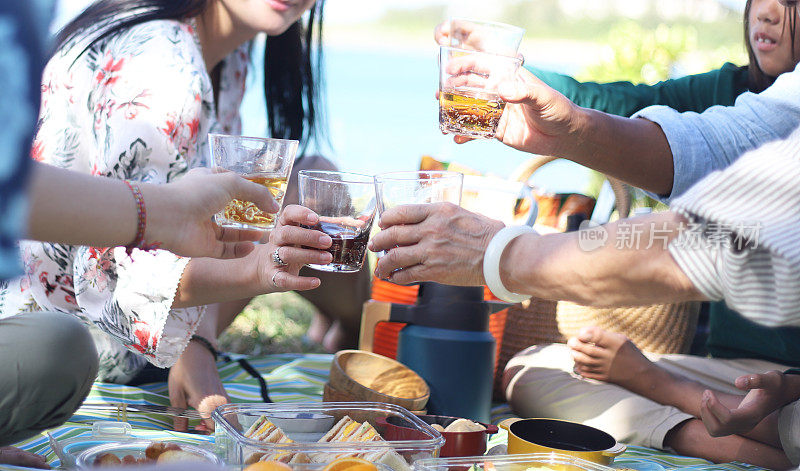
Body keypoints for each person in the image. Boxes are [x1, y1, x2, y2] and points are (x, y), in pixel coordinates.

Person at [0, 2, 328, 467]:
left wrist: (198, 340)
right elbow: (110, 273)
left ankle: (350, 343)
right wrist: (255, 271)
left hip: (124, 317)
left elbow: (199, 225)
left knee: (315, 187)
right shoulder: (163, 64)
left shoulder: (227, 53)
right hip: (80, 331)